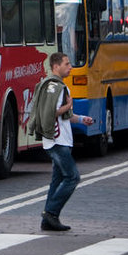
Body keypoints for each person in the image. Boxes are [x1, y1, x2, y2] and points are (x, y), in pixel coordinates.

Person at [28, 52, 95, 232]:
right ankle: (51, 212)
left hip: (56, 140)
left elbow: (64, 116)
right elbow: (53, 112)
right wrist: (67, 106)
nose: (70, 67)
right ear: (56, 66)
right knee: (73, 177)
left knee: (57, 180)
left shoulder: (52, 86)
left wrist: (81, 119)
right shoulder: (56, 88)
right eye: (66, 64)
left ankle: (48, 220)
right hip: (57, 141)